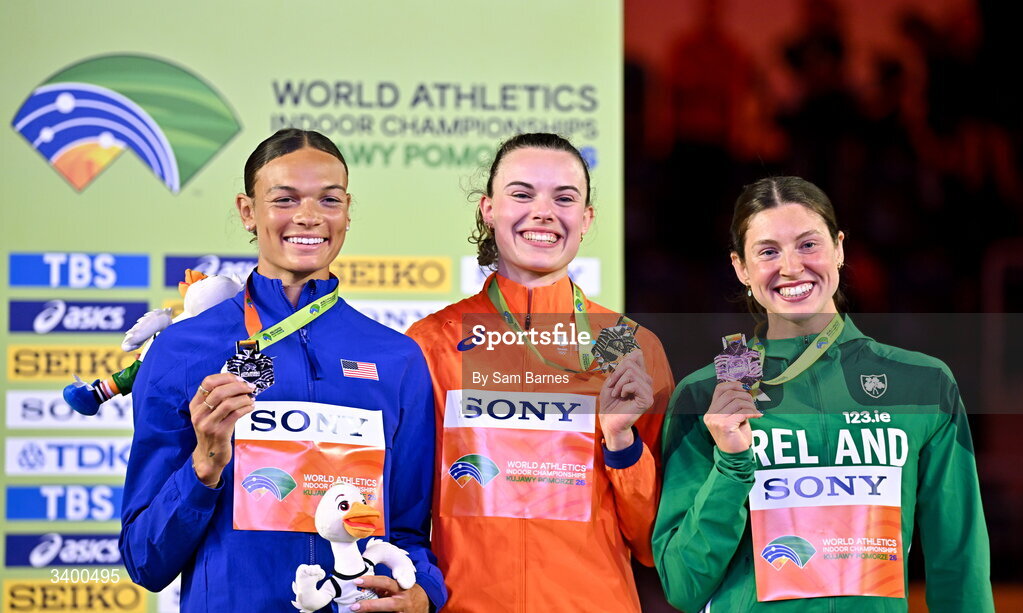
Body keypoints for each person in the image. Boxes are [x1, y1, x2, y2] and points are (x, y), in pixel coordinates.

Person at [119, 129, 446, 612]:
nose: (309, 216)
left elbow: (408, 535)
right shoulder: (181, 351)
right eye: (285, 199)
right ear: (248, 211)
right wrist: (203, 468)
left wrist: (425, 595)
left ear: (348, 210)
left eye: (328, 200)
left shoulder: (396, 357)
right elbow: (145, 561)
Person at [653, 176, 994, 612]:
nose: (792, 267)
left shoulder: (924, 385)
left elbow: (959, 562)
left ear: (839, 247)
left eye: (808, 244)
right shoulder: (705, 398)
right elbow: (684, 586)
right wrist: (732, 465)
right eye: (768, 251)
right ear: (740, 267)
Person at [406, 132, 675, 611]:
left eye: (564, 198)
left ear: (587, 218)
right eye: (522, 193)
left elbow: (653, 542)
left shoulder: (632, 347)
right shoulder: (431, 342)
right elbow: (403, 512)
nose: (544, 212)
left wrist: (622, 444)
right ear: (489, 209)